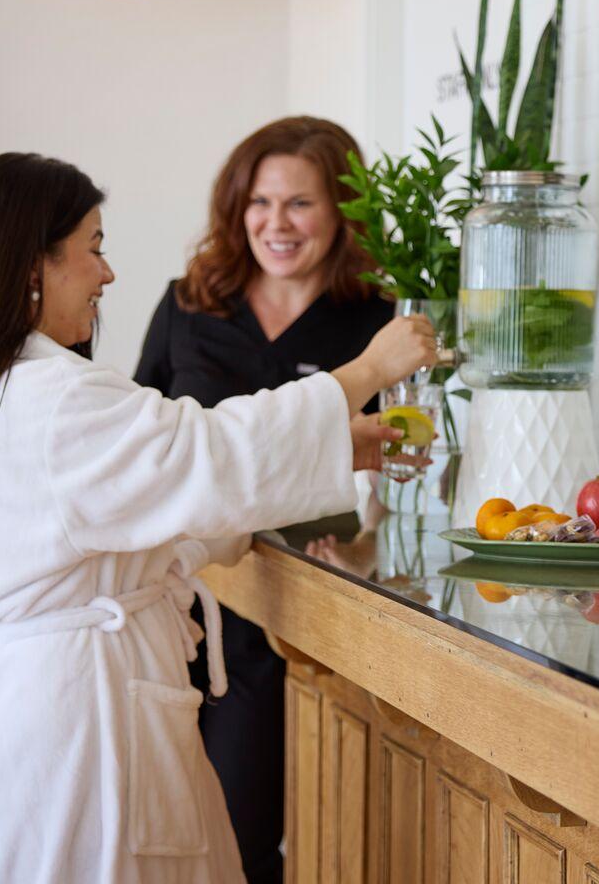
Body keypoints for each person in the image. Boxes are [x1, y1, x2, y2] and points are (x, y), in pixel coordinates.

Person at [0, 152, 434, 884]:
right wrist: (368, 372)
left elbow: (143, 501)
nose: (108, 273)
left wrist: (335, 449)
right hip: (77, 740)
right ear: (34, 264)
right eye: (92, 248)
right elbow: (205, 451)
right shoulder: (50, 398)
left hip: (35, 726)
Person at [133, 116, 395, 884]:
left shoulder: (375, 321)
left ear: (344, 213)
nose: (274, 225)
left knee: (243, 845)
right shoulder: (189, 304)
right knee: (157, 838)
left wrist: (366, 539)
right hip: (178, 602)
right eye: (260, 202)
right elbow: (141, 445)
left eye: (300, 205)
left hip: (290, 610)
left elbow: (409, 452)